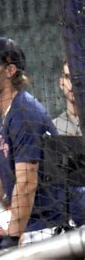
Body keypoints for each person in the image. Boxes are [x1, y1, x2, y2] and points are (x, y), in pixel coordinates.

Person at [0, 37, 65, 248]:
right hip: (32, 225)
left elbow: (26, 182)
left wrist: (13, 236)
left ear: (10, 70)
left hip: (53, 225)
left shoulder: (25, 113)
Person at [52, 60, 85, 227]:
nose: (72, 84)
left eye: (78, 78)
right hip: (70, 219)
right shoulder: (54, 128)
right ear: (61, 82)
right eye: (67, 77)